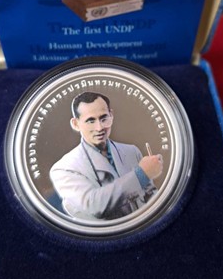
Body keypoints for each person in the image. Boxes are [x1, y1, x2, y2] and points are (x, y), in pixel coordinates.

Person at [49, 91, 163, 220]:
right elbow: (94, 206)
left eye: (104, 118)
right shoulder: (64, 168)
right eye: (90, 121)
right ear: (75, 124)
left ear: (111, 116)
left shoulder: (132, 151)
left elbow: (151, 197)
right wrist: (141, 174)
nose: (99, 128)